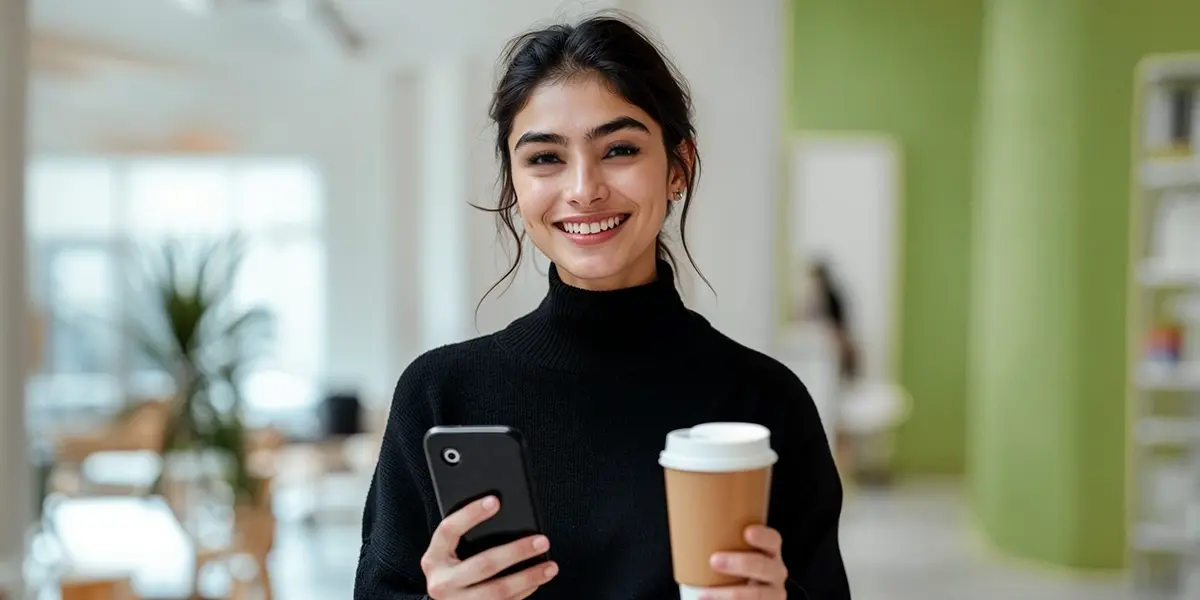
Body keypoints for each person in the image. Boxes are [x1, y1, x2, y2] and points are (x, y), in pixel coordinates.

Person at [354, 14, 850, 600]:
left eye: (619, 149)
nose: (584, 189)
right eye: (545, 158)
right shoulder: (441, 393)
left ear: (678, 168)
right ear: (514, 186)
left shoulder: (766, 400)